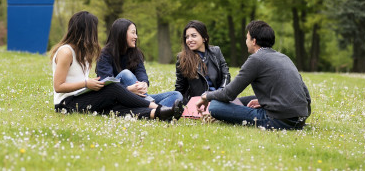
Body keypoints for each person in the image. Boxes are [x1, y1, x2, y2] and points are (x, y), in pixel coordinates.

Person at [51, 11, 183, 121]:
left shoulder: (82, 54)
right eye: (94, 29)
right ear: (85, 31)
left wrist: (143, 83)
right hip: (66, 104)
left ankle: (160, 114)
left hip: (81, 98)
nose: (95, 34)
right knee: (113, 88)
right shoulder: (66, 51)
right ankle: (156, 107)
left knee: (115, 109)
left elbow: (141, 72)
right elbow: (58, 86)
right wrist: (86, 84)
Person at [195, 20, 312, 130]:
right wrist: (263, 102)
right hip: (300, 118)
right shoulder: (284, 57)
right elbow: (305, 95)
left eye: (247, 38)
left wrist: (206, 96)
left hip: (277, 120)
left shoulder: (256, 59)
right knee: (245, 100)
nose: (246, 41)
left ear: (254, 41)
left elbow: (229, 94)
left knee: (215, 106)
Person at [96, 18, 183, 107]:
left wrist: (144, 83)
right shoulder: (104, 55)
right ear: (121, 33)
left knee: (176, 95)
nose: (136, 37)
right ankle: (154, 107)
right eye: (133, 33)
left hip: (138, 97)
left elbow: (141, 72)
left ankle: (153, 109)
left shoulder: (135, 53)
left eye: (136, 33)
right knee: (126, 74)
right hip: (116, 100)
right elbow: (107, 84)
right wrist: (127, 89)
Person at [175, 20, 231, 105]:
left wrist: (220, 93)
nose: (189, 40)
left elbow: (226, 75)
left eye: (193, 36)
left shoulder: (216, 51)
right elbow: (180, 88)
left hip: (219, 97)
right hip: (198, 102)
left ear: (204, 38)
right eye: (187, 37)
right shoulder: (182, 58)